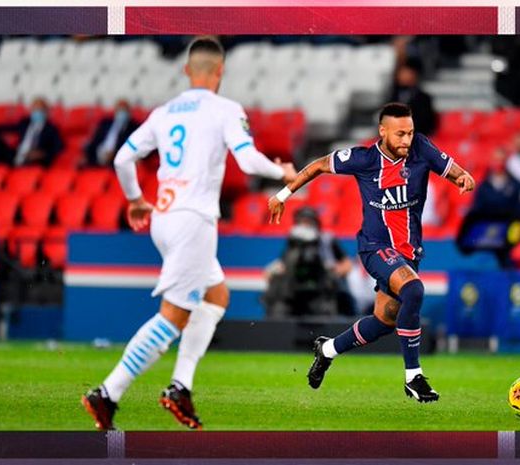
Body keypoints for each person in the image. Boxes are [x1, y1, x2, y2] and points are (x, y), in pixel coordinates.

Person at [81, 37, 296, 431]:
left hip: (163, 216)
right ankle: (107, 393)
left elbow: (122, 157)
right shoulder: (225, 109)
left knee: (216, 295)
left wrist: (134, 199)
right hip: (194, 220)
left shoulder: (165, 112)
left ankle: (180, 386)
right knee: (174, 316)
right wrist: (282, 172)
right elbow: (247, 160)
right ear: (221, 72)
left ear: (186, 71)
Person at [268, 102, 475, 403]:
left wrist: (463, 177)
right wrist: (283, 194)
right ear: (383, 132)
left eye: (410, 133)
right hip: (375, 247)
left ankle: (327, 350)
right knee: (414, 290)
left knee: (384, 320)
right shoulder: (363, 159)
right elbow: (318, 166)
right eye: (400, 134)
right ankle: (413, 378)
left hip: (409, 251)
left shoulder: (421, 148)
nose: (407, 140)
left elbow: (453, 170)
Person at [263, 206, 353, 318]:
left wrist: (332, 271)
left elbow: (347, 264)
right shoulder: (294, 241)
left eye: (309, 222)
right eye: (302, 222)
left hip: (322, 287)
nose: (305, 226)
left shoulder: (327, 239)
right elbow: (284, 263)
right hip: (295, 288)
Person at [459, 146, 520, 267]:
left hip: (509, 224)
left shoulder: (516, 185)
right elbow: (477, 207)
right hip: (487, 224)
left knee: (516, 230)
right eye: (496, 160)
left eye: (501, 160)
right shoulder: (483, 185)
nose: (498, 163)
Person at [0, 97, 63, 167]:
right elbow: (6, 128)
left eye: (40, 110)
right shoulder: (25, 123)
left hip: (34, 159)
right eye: (35, 109)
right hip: (18, 155)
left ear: (46, 111)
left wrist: (42, 153)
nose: (37, 112)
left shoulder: (51, 128)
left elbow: (58, 146)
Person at [389, 57, 439, 137]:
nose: (403, 76)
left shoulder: (424, 98)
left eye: (407, 72)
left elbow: (429, 124)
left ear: (415, 75)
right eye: (401, 73)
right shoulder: (391, 96)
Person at [84, 99, 140, 167]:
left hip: (116, 158)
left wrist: (114, 154)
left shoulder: (133, 127)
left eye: (124, 110)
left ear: (129, 111)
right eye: (119, 109)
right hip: (98, 155)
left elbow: (129, 146)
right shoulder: (105, 123)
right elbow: (95, 140)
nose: (121, 113)